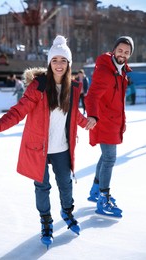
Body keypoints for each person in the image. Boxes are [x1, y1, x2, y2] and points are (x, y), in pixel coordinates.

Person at [0, 35, 92, 247]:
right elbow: (19, 111)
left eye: (63, 60)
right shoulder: (38, 86)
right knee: (43, 187)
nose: (59, 64)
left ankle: (67, 212)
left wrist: (86, 123)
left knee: (66, 184)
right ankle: (46, 222)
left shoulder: (74, 88)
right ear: (50, 62)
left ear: (69, 64)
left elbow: (73, 113)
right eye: (55, 60)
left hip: (62, 148)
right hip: (38, 147)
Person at [84, 36, 134, 218]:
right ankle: (103, 198)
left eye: (127, 52)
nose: (123, 54)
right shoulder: (105, 70)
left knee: (106, 157)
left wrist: (123, 121)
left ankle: (95, 191)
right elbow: (91, 97)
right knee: (110, 159)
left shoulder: (121, 72)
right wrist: (92, 115)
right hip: (103, 121)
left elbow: (119, 102)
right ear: (114, 50)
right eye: (120, 50)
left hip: (114, 121)